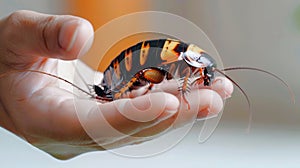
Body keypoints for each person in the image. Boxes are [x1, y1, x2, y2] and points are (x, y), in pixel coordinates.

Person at [0, 10, 233, 159]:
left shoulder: (183, 62)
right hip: (124, 73)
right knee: (143, 74)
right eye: (204, 73)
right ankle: (113, 89)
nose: (204, 77)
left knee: (148, 76)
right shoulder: (179, 59)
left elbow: (160, 75)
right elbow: (155, 73)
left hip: (133, 74)